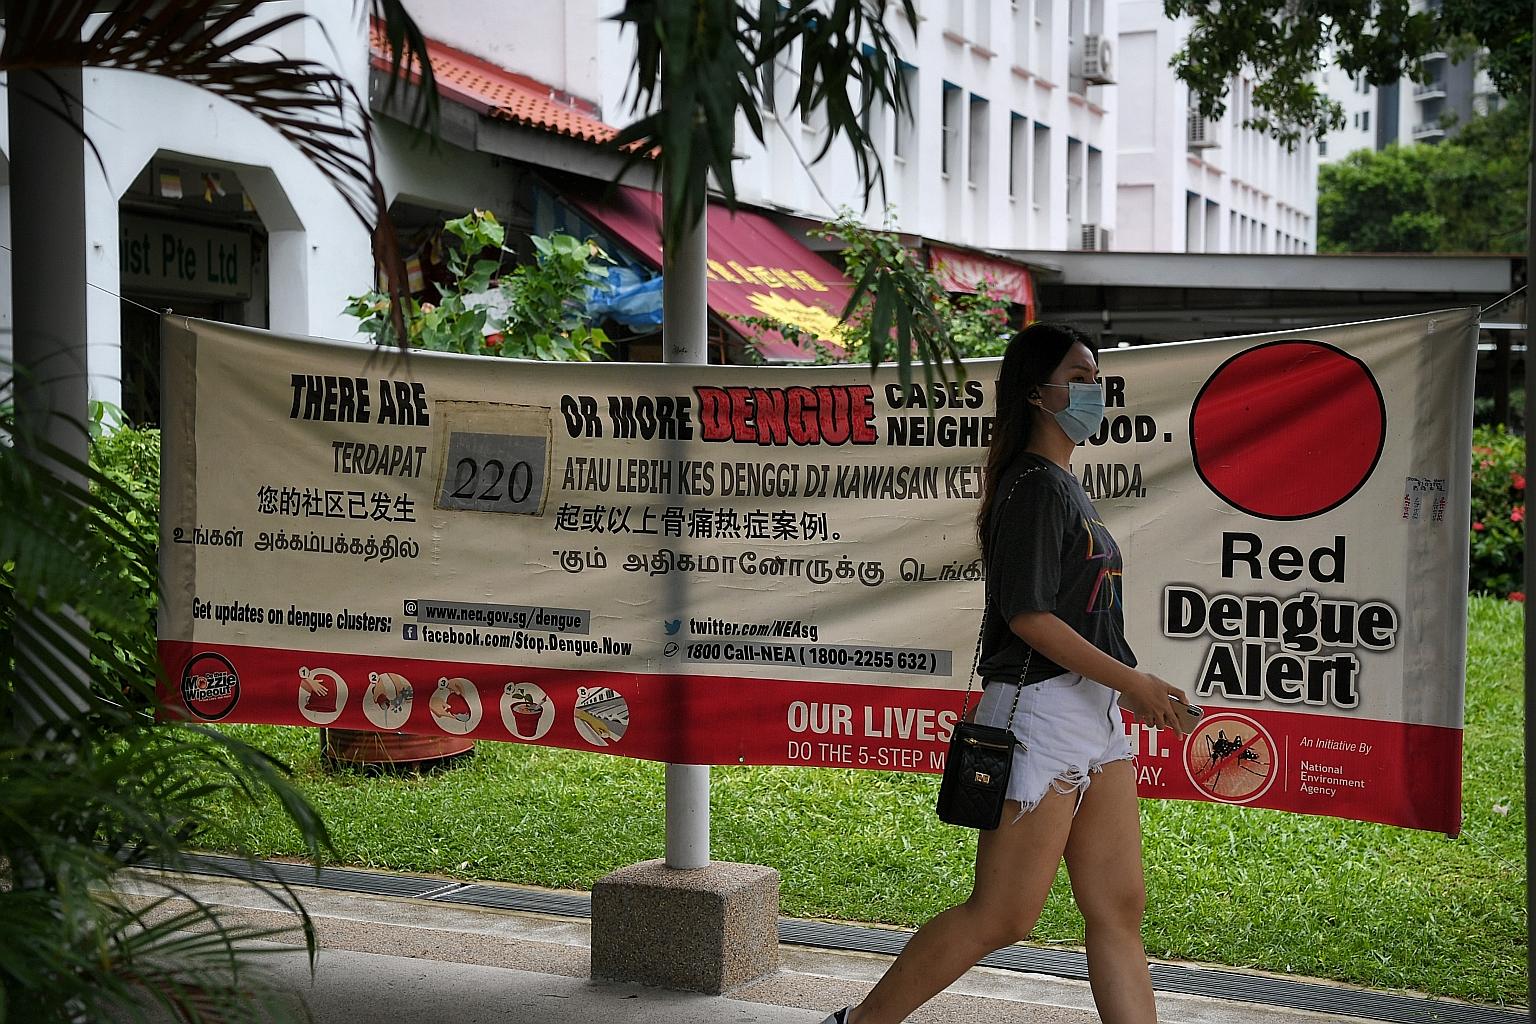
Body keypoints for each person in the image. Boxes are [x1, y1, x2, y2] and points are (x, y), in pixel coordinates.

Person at [822, 323, 1196, 1024]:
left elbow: (1078, 618)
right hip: (1042, 713)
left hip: (1093, 714)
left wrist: (1134, 687)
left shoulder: (1063, 487)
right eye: (1080, 376)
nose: (1095, 390)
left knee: (1118, 910)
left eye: (1097, 377)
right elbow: (1028, 618)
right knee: (1002, 915)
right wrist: (1133, 683)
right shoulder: (1033, 486)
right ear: (1036, 392)